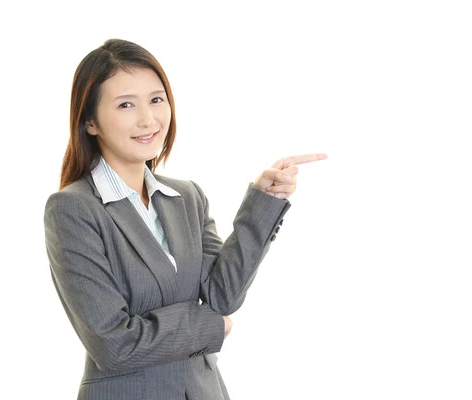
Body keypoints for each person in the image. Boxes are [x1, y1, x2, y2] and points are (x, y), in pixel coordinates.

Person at [43, 38, 327, 400]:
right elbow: (113, 344)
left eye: (156, 99)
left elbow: (220, 296)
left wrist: (265, 201)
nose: (148, 119)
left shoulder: (186, 197)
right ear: (90, 122)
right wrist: (209, 325)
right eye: (126, 104)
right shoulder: (74, 209)